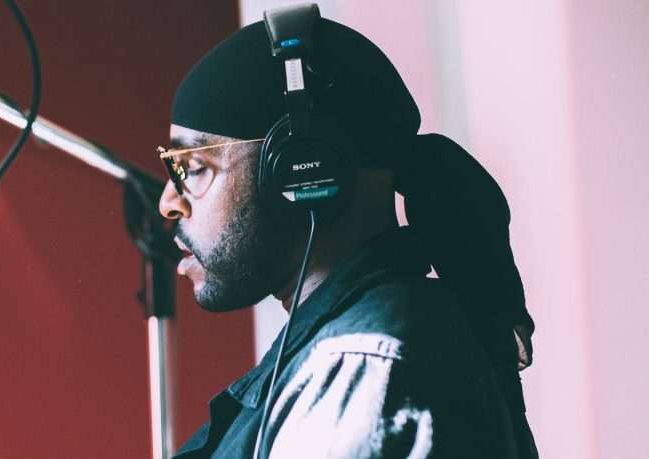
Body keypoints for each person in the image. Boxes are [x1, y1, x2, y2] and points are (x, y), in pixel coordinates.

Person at [156, 5, 537, 458]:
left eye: (193, 168)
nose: (168, 201)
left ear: (300, 169)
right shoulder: (349, 359)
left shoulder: (364, 368)